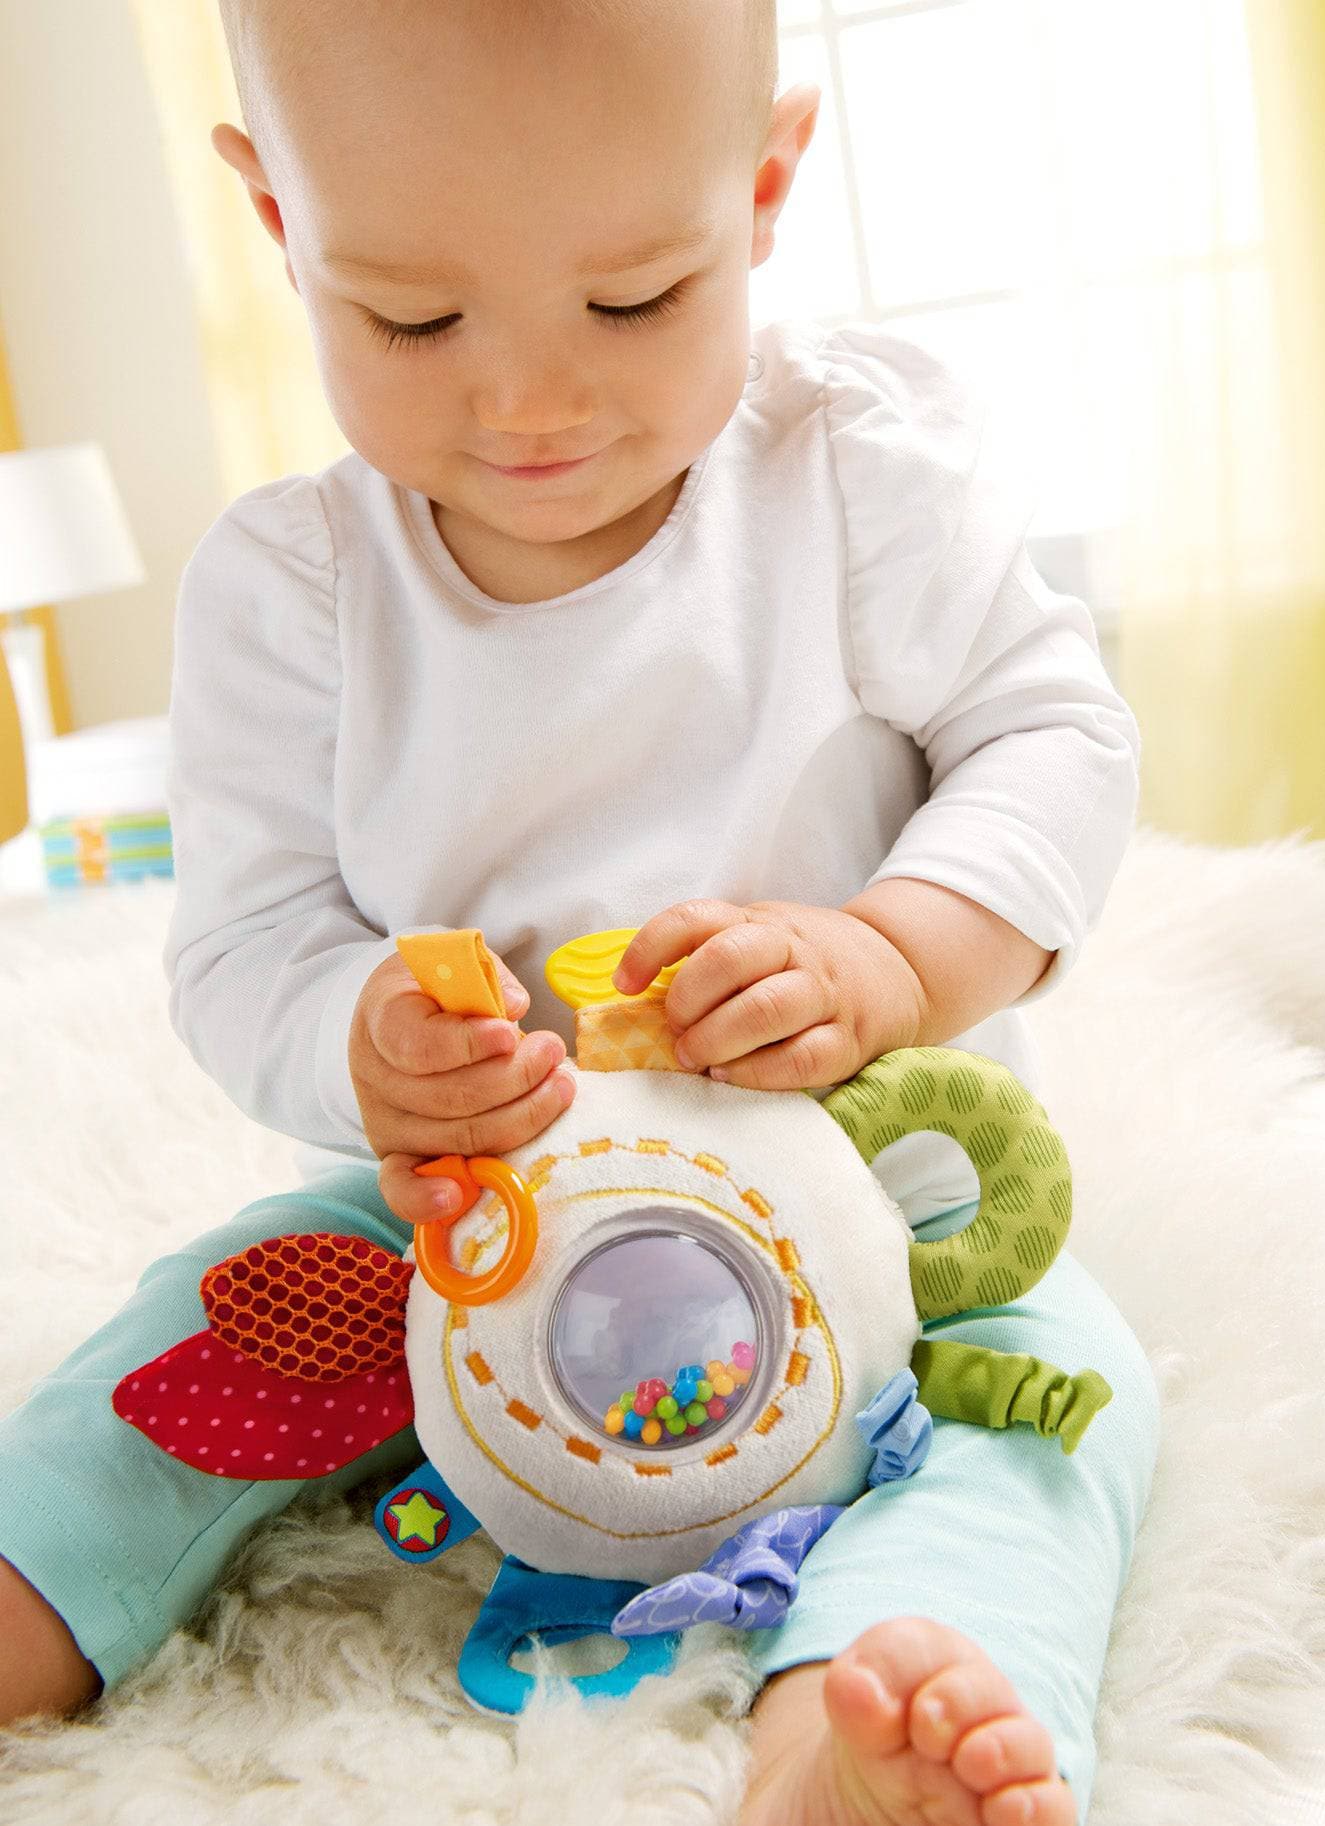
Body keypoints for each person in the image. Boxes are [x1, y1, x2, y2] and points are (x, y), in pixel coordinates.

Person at [0, 3, 1159, 1821]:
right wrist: (362, 1042)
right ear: (280, 221)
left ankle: (862, 1718)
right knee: (216, 1322)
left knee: (1054, 1397)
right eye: (412, 318)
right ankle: (34, 1578)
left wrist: (890, 952)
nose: (529, 399)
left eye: (632, 303)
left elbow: (1057, 740)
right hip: (475, 1221)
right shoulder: (297, 594)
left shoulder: (849, 477)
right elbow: (240, 944)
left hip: (872, 1208)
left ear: (763, 189)